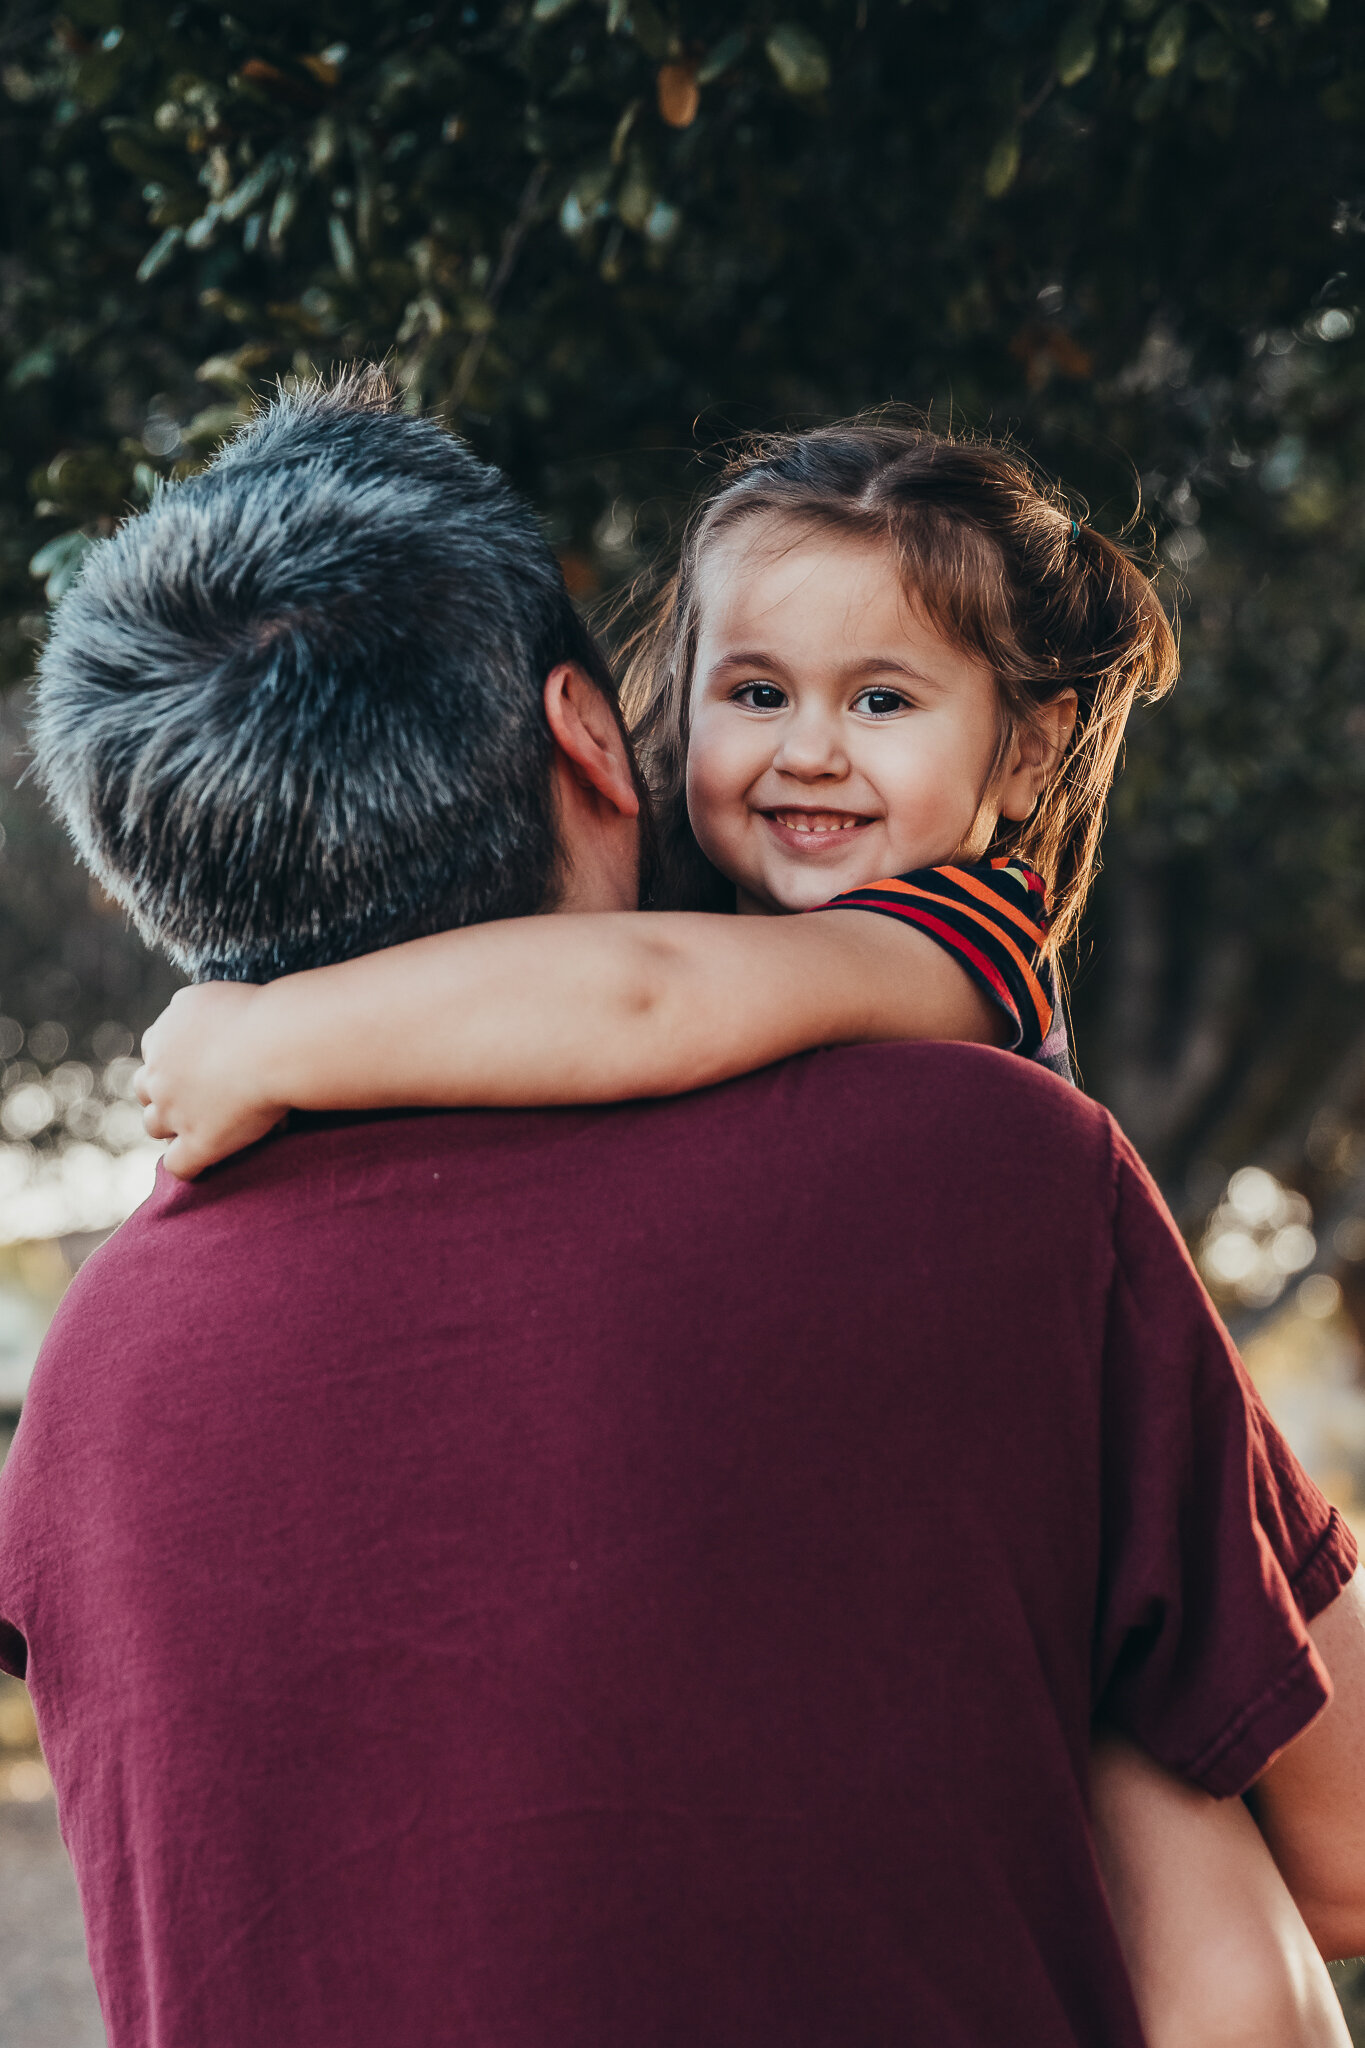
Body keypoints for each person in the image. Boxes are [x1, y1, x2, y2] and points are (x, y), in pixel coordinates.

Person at [0, 372, 1361, 2048]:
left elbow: (639, 996)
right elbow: (1350, 1845)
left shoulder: (94, 1373)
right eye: (758, 691)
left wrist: (271, 1029)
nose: (808, 751)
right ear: (609, 726)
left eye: (880, 701)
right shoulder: (975, 1171)